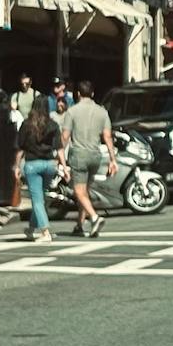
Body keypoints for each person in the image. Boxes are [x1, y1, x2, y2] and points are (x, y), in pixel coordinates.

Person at [57, 79, 115, 238]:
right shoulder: (102, 112)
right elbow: (107, 136)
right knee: (85, 192)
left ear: (77, 94)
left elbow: (65, 136)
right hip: (95, 155)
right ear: (93, 94)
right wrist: (112, 159)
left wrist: (59, 151)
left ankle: (94, 217)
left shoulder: (72, 111)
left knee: (78, 190)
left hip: (79, 154)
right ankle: (79, 225)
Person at [14, 96, 60, 244]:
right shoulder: (52, 124)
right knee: (40, 197)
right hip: (50, 164)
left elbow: (20, 148)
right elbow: (59, 147)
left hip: (32, 164)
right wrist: (63, 165)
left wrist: (16, 166)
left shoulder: (27, 124)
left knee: (37, 200)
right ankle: (31, 228)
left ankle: (45, 232)